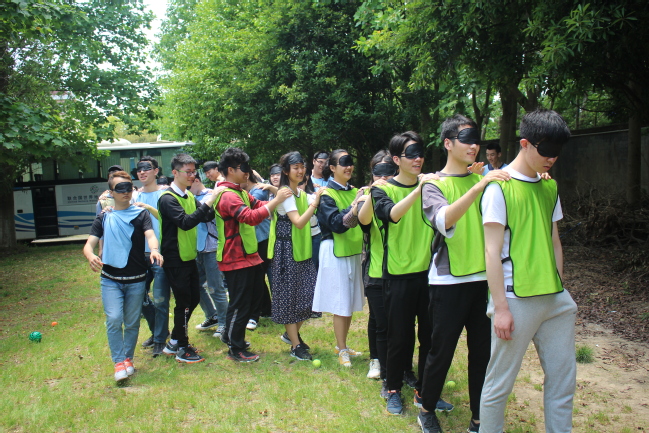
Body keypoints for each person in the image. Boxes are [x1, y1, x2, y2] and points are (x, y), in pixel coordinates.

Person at [480, 109, 576, 433]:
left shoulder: (549, 187)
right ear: (525, 143)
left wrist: (560, 288)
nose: (552, 158)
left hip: (554, 300)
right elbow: (491, 252)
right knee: (499, 385)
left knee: (563, 382)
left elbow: (555, 242)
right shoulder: (499, 188)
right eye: (546, 150)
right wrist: (501, 308)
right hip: (516, 299)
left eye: (557, 152)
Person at [417, 115, 510, 433]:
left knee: (482, 354)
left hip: (483, 279)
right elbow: (444, 220)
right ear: (448, 143)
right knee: (441, 351)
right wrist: (479, 184)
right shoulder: (433, 184)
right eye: (466, 139)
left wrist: (536, 175)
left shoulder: (485, 180)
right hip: (448, 282)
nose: (474, 145)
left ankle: (478, 418)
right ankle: (426, 409)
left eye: (476, 140)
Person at [371, 132, 438, 415]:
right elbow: (391, 215)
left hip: (429, 275)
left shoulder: (432, 185)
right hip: (397, 275)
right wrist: (420, 189)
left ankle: (425, 391)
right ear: (397, 159)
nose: (418, 159)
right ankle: (393, 389)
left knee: (430, 338)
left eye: (420, 153)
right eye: (411, 154)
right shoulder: (382, 189)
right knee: (399, 337)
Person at [82, 171, 163, 382]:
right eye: (120, 189)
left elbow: (151, 235)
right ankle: (119, 362)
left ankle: (128, 359)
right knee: (114, 319)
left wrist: (154, 250)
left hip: (136, 279)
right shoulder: (104, 216)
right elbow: (89, 244)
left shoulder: (141, 214)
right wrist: (91, 255)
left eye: (129, 188)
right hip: (110, 279)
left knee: (132, 322)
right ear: (111, 192)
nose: (125, 192)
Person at [214, 148, 291, 362]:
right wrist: (277, 199)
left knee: (245, 301)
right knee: (240, 304)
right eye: (243, 168)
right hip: (234, 257)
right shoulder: (227, 195)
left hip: (246, 256)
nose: (247, 172)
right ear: (230, 170)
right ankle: (235, 347)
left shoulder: (238, 192)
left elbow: (259, 206)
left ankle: (231, 336)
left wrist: (277, 198)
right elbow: (250, 217)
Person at [158, 153, 225, 363]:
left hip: (189, 256)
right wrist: (208, 201)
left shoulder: (188, 196)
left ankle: (174, 341)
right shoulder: (168, 199)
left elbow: (206, 216)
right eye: (187, 172)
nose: (192, 176)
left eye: (194, 172)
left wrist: (214, 200)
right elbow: (185, 222)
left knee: (193, 298)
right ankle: (183, 347)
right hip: (175, 259)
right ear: (175, 172)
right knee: (183, 303)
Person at [268, 151, 324, 360]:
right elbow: (299, 222)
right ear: (286, 171)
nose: (300, 171)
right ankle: (295, 345)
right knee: (290, 298)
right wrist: (314, 204)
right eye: (295, 168)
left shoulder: (299, 193)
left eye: (302, 167)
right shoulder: (286, 194)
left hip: (301, 250)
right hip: (286, 252)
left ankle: (290, 335)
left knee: (308, 295)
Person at [312, 149, 365, 367]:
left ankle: (343, 345)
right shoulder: (326, 194)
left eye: (350, 162)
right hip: (335, 252)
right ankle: (341, 348)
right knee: (341, 302)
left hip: (352, 251)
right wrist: (355, 205)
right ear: (332, 168)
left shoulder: (354, 191)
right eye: (344, 163)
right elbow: (336, 224)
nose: (349, 167)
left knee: (349, 301)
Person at [357, 150, 397, 397]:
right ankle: (376, 360)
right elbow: (359, 222)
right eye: (377, 172)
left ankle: (399, 365)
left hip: (399, 269)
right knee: (378, 319)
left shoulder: (403, 192)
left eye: (388, 172)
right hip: (374, 268)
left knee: (397, 322)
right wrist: (370, 194)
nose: (383, 177)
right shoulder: (365, 196)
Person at [132, 156, 172, 358]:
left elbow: (169, 219)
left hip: (161, 254)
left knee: (161, 299)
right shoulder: (132, 196)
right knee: (139, 297)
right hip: (139, 255)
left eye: (146, 168)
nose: (142, 172)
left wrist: (148, 208)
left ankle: (159, 340)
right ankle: (159, 331)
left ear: (156, 171)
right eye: (139, 169)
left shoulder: (165, 194)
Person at [189, 175, 229, 339]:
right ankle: (212, 315)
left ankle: (225, 323)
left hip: (211, 248)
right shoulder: (189, 197)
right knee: (194, 285)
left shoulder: (212, 195)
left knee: (215, 288)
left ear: (196, 180)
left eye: (188, 185)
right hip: (196, 248)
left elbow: (206, 215)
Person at [243, 165, 272, 330]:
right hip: (257, 239)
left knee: (257, 276)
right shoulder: (251, 190)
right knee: (257, 277)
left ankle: (255, 315)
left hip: (262, 239)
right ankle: (265, 309)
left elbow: (248, 211)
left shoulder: (257, 191)